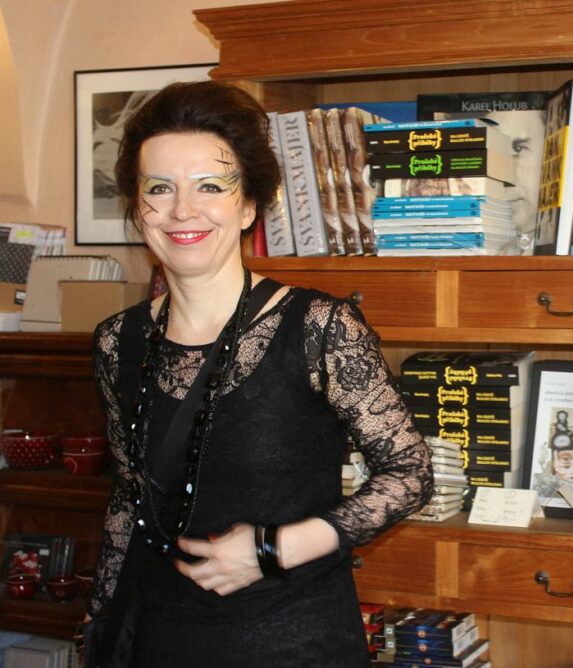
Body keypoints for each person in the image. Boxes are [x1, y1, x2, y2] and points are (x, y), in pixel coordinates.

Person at [83, 80, 433, 667]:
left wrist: (271, 550)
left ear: (248, 205)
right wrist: (99, 626)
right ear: (137, 206)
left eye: (210, 186)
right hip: (159, 640)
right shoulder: (117, 340)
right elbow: (128, 497)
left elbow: (410, 475)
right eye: (159, 188)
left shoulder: (319, 326)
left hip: (293, 642)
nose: (182, 210)